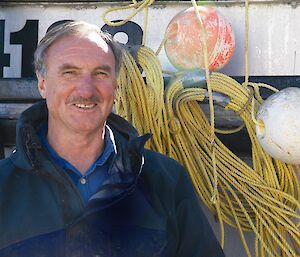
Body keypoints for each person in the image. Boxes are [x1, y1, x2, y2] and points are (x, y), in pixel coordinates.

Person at [0, 20, 225, 257]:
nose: (86, 90)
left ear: (115, 86)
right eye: (70, 73)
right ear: (43, 84)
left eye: (100, 73)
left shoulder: (165, 181)